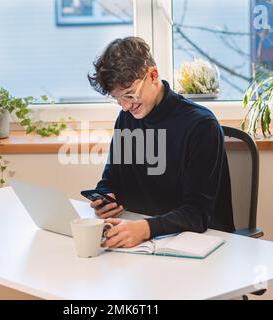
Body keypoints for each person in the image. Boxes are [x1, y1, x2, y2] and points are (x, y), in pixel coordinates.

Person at [87, 37, 235, 249]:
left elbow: (198, 213)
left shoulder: (200, 125)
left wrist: (145, 229)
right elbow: (111, 179)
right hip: (143, 243)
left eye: (129, 95)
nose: (126, 106)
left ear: (153, 76)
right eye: (118, 99)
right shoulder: (127, 119)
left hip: (199, 244)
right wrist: (106, 198)